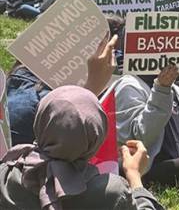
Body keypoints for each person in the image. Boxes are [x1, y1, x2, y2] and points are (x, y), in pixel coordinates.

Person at [0, 86, 163, 209]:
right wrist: (134, 178)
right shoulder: (111, 192)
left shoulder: (5, 176)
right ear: (97, 138)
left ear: (40, 121)